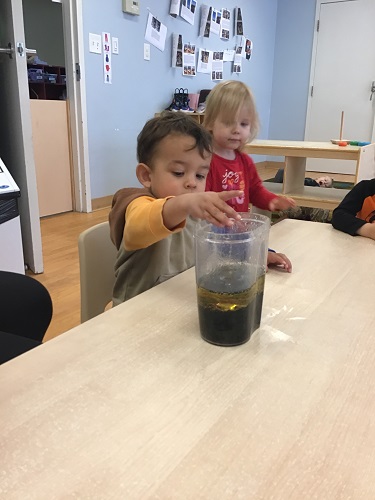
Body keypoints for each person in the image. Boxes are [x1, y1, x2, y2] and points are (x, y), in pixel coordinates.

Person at [109, 112, 243, 306]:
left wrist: (254, 255)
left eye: (200, 175)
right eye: (179, 173)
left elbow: (221, 244)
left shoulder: (196, 212)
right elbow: (138, 225)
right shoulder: (135, 203)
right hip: (135, 315)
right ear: (146, 175)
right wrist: (184, 203)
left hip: (179, 306)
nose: (191, 183)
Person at [203, 80, 294, 272]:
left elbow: (255, 190)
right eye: (228, 123)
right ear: (210, 122)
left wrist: (272, 201)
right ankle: (259, 255)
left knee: (255, 257)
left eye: (244, 124)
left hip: (238, 231)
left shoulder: (244, 161)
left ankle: (261, 254)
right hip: (215, 235)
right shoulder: (205, 161)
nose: (237, 130)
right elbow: (203, 205)